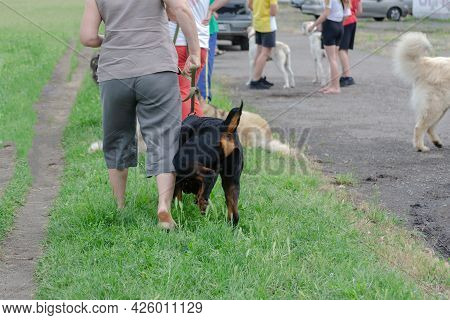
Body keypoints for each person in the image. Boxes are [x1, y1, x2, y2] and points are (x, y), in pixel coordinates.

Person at [80, 0, 200, 230]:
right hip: (157, 69)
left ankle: (120, 207)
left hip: (115, 72)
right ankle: (163, 206)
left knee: (116, 139)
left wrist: (113, 40)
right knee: (164, 138)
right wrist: (194, 53)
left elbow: (87, 37)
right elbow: (182, 10)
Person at [309, 0, 350, 94]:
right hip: (339, 26)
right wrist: (338, 24)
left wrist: (314, 25)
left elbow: (326, 13)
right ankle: (332, 85)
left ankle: (336, 87)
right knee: (334, 58)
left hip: (330, 26)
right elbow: (347, 15)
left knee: (332, 59)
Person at [248, 0, 278, 90]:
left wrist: (259, 12)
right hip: (268, 25)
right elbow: (273, 12)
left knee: (259, 51)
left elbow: (249, 5)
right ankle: (256, 80)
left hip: (257, 22)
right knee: (265, 53)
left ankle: (256, 76)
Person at [339, 0, 362, 87]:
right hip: (352, 21)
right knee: (344, 50)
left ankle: (347, 76)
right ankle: (345, 74)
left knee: (341, 49)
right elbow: (360, 11)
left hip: (344, 21)